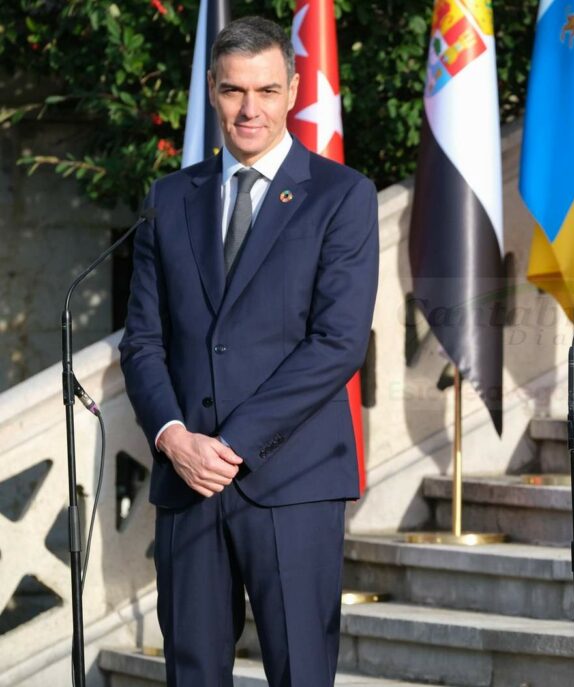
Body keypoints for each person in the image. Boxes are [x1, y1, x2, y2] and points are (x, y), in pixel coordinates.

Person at [119, 16, 378, 687]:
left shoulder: (341, 196)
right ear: (212, 89)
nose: (250, 108)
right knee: (194, 674)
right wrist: (176, 438)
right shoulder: (169, 199)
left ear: (292, 89)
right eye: (235, 91)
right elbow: (144, 340)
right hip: (188, 482)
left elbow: (338, 343)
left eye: (266, 89)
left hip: (293, 482)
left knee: (299, 671)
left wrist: (227, 443)